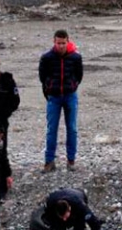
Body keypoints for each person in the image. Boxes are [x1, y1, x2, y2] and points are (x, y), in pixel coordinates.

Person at [38, 30, 83, 173]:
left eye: (63, 43)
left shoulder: (75, 58)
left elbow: (79, 75)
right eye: (59, 43)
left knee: (72, 129)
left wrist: (73, 85)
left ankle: (71, 160)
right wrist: (49, 90)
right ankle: (49, 161)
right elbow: (42, 76)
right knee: (52, 130)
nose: (61, 46)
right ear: (54, 42)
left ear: (68, 42)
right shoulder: (47, 58)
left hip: (70, 95)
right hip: (54, 97)